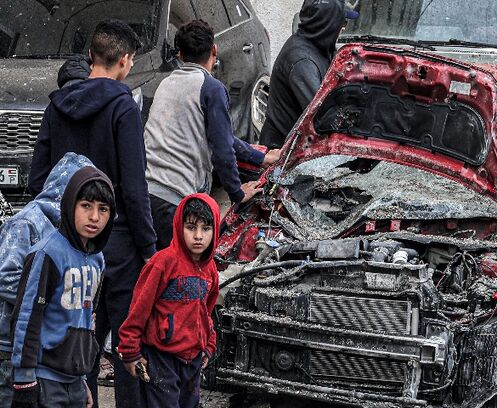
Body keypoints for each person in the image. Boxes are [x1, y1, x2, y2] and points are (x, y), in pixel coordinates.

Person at [27, 19, 156, 408]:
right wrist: (148, 247)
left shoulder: (57, 105)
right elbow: (135, 187)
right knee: (125, 345)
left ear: (89, 56)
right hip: (117, 244)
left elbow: (38, 178)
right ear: (124, 61)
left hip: (65, 242)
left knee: (74, 344)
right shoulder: (124, 106)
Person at [10, 166, 113, 408]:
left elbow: (84, 324)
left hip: (72, 382)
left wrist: (83, 379)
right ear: (69, 205)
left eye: (103, 209)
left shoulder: (97, 260)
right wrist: (24, 378)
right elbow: (25, 317)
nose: (94, 216)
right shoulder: (47, 254)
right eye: (86, 206)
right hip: (43, 380)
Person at [144, 19, 276, 250]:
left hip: (146, 194)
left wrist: (260, 157)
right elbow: (222, 150)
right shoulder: (211, 88)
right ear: (214, 50)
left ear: (180, 55)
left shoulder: (166, 83)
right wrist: (236, 193)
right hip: (175, 199)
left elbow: (220, 137)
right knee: (182, 278)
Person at [118, 194, 220, 408]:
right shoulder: (163, 263)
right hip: (160, 358)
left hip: (191, 361)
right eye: (191, 227)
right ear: (179, 227)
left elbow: (207, 311)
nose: (198, 236)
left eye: (205, 228)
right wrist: (130, 352)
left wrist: (208, 346)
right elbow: (138, 309)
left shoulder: (210, 269)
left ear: (215, 231)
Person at [258, 0, 355, 149]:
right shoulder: (302, 61)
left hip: (299, 144)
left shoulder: (319, 48)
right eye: (342, 22)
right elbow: (323, 115)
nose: (343, 29)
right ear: (327, 25)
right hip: (281, 151)